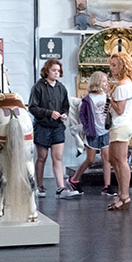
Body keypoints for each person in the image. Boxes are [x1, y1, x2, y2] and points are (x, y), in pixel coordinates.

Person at [28, 58, 76, 198]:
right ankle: (39, 186)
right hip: (42, 126)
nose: (56, 73)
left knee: (58, 157)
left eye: (58, 71)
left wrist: (64, 115)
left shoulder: (61, 88)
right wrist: (49, 113)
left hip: (57, 127)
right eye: (54, 70)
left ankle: (60, 187)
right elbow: (33, 107)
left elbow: (66, 106)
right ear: (47, 71)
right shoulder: (38, 87)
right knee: (42, 157)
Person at [68, 72, 116, 198]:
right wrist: (86, 127)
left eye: (107, 81)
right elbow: (82, 115)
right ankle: (74, 179)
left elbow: (107, 112)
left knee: (107, 158)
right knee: (90, 159)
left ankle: (107, 186)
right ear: (97, 82)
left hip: (104, 131)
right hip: (93, 132)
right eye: (104, 81)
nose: (106, 84)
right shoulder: (88, 99)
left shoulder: (106, 96)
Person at [107, 52, 132, 211]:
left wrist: (109, 97)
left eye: (114, 65)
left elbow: (119, 110)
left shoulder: (121, 86)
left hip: (120, 124)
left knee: (120, 161)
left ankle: (124, 195)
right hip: (125, 125)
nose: (111, 68)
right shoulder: (130, 85)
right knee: (115, 160)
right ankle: (121, 193)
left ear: (122, 66)